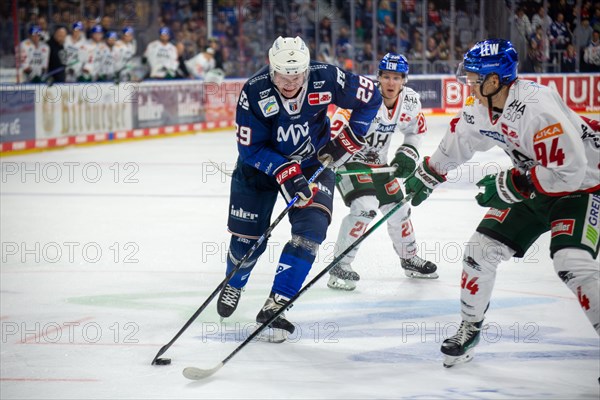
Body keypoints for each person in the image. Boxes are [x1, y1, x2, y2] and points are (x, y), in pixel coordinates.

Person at [403, 39, 599, 368]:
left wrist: (514, 182)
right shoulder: (480, 106)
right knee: (479, 253)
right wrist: (430, 173)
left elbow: (569, 170)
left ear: (494, 81)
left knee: (572, 263)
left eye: (474, 78)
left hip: (583, 187)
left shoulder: (538, 109)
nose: (468, 83)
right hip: (535, 183)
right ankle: (470, 328)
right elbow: (458, 142)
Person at [216, 36, 382, 342]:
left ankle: (276, 303)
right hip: (260, 167)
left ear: (306, 70)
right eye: (281, 75)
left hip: (312, 161)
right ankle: (235, 281)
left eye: (295, 75)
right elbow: (249, 147)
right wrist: (284, 171)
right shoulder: (254, 91)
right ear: (271, 69)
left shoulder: (327, 77)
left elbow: (371, 98)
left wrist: (349, 138)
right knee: (247, 241)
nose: (289, 82)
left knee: (311, 230)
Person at [327, 53, 438, 291]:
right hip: (350, 162)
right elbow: (335, 127)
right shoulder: (365, 98)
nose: (390, 82)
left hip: (380, 165)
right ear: (378, 77)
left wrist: (408, 151)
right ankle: (340, 264)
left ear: (404, 80)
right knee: (365, 207)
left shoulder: (409, 101)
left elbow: (415, 130)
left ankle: (409, 258)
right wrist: (332, 160)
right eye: (386, 76)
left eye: (396, 78)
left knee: (400, 210)